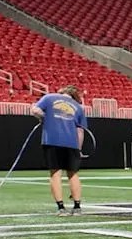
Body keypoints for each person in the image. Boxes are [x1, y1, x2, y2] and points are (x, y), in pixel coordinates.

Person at [30, 85, 89, 216]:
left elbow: (35, 111)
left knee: (55, 173)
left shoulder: (49, 97)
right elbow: (80, 131)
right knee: (73, 174)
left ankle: (61, 208)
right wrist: (78, 149)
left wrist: (43, 117)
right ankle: (77, 207)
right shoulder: (78, 107)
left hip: (52, 140)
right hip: (71, 144)